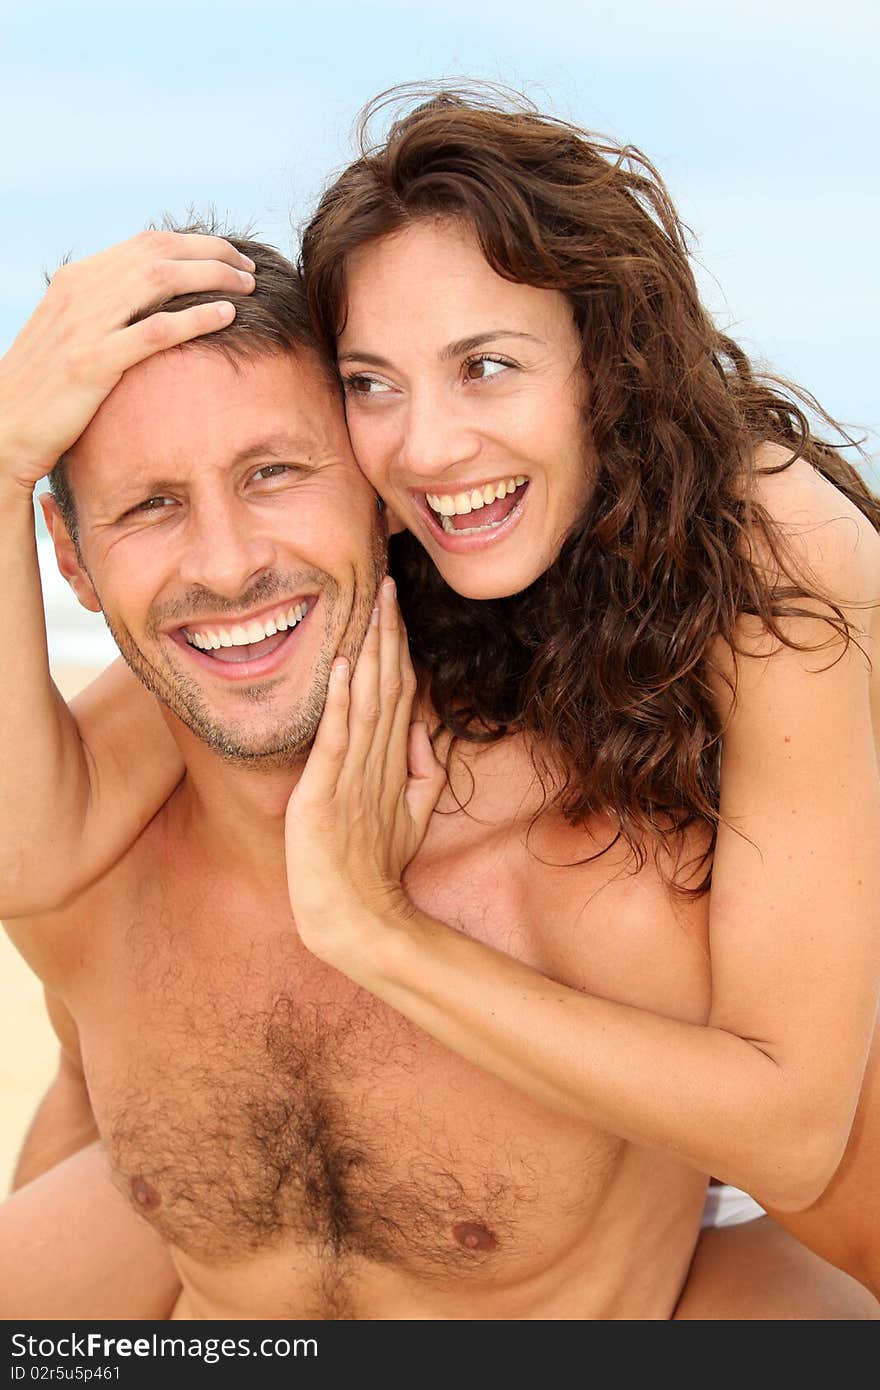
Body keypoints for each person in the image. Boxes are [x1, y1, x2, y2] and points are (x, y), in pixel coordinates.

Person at [1, 230, 875, 1319]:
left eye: (273, 473)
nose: (226, 564)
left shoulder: (613, 872)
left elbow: (830, 1194)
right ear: (70, 557)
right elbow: (85, 1090)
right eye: (151, 505)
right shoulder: (100, 872)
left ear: (378, 493)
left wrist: (376, 929)